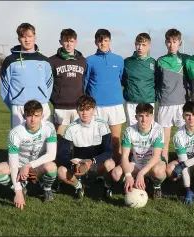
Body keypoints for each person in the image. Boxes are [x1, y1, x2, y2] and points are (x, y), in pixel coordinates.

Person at [0, 100, 58, 209]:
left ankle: (46, 188)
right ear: (24, 115)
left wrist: (28, 166)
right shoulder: (15, 133)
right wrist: (18, 192)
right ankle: (21, 187)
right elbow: (13, 164)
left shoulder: (49, 127)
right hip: (19, 164)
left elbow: (51, 155)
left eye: (36, 116)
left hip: (37, 165)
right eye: (29, 115)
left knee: (51, 167)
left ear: (42, 115)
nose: (33, 119)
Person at [56, 95, 115, 200]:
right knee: (61, 171)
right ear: (77, 110)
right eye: (81, 109)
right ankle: (78, 187)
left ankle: (107, 187)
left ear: (94, 110)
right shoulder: (71, 128)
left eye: (88, 109)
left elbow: (109, 151)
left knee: (110, 163)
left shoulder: (102, 124)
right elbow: (62, 154)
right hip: (80, 162)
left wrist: (92, 161)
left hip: (97, 162)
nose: (85, 113)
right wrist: (72, 165)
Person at [0, 23, 53, 129]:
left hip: (41, 106)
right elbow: (4, 88)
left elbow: (49, 84)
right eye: (23, 37)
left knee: (43, 141)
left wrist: (43, 98)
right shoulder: (10, 61)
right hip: (19, 108)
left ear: (35, 37)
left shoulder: (44, 60)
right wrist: (14, 105)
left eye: (29, 36)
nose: (27, 40)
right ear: (19, 39)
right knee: (20, 141)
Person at [110, 103, 167, 198]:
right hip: (136, 163)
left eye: (147, 116)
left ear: (152, 116)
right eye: (141, 116)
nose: (144, 120)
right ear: (136, 117)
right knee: (116, 174)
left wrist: (141, 173)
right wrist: (128, 175)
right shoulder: (129, 131)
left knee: (159, 171)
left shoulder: (158, 130)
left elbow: (156, 156)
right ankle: (130, 184)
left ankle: (156, 186)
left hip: (152, 164)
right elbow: (124, 156)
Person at [85, 29, 126, 161]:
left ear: (110, 41)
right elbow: (85, 83)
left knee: (115, 140)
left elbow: (121, 79)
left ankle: (116, 168)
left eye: (106, 40)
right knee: (97, 140)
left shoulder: (119, 60)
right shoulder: (89, 60)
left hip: (115, 105)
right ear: (96, 42)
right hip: (96, 106)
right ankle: (97, 170)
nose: (103, 43)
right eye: (100, 40)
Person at [156, 28, 191, 162]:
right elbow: (157, 83)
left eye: (175, 41)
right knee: (164, 143)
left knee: (184, 140)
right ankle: (163, 170)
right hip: (165, 105)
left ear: (180, 42)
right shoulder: (160, 61)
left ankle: (186, 167)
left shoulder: (186, 59)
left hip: (182, 104)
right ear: (165, 43)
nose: (172, 45)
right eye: (169, 42)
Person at [49, 28, 87, 138]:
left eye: (71, 41)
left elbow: (85, 81)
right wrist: (55, 99)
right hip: (60, 107)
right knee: (60, 138)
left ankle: (77, 156)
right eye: (66, 41)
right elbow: (48, 82)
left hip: (77, 107)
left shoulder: (83, 61)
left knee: (78, 138)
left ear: (76, 42)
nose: (68, 44)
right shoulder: (52, 61)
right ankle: (60, 156)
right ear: (60, 42)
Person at [123, 33, 157, 128]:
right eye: (138, 44)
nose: (140, 47)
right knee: (132, 131)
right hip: (131, 102)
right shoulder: (127, 62)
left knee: (149, 131)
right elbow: (123, 80)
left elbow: (157, 81)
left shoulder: (153, 62)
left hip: (148, 101)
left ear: (149, 46)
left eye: (143, 45)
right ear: (135, 44)